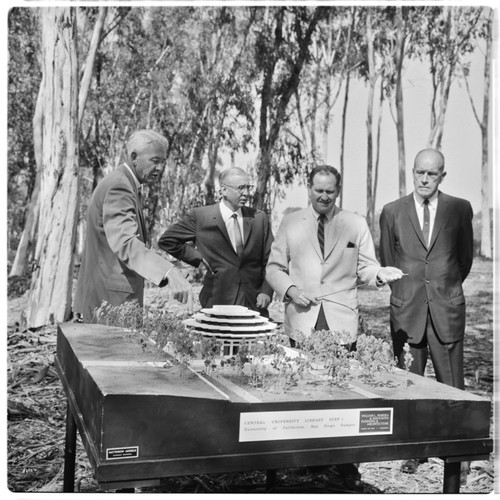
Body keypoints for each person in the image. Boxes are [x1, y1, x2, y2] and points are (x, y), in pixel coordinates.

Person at [265, 164, 403, 489]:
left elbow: (367, 267)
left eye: (330, 191)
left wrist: (380, 275)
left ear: (338, 191)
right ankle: (302, 460)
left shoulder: (354, 223)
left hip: (341, 320)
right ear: (308, 188)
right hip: (302, 319)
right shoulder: (290, 222)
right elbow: (273, 267)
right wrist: (291, 291)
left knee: (342, 392)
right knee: (300, 390)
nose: (324, 196)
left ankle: (344, 464)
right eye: (318, 190)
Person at [379, 148, 473, 477]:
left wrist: (443, 291)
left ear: (442, 176)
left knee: (452, 387)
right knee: (409, 387)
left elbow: (464, 261)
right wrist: (407, 295)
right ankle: (412, 452)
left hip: (446, 311)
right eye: (419, 172)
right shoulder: (391, 212)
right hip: (407, 314)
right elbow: (389, 261)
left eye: (431, 174)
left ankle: (457, 458)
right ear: (413, 172)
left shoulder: (459, 210)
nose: (424, 178)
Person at [73, 129, 191, 323]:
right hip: (111, 303)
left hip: (108, 299)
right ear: (134, 157)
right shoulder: (119, 186)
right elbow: (126, 242)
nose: (160, 168)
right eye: (155, 160)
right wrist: (168, 271)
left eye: (163, 162)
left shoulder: (124, 183)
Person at [158, 167, 274, 315]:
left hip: (254, 304)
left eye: (248, 187)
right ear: (223, 191)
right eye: (240, 188)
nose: (246, 193)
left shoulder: (259, 218)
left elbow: (271, 261)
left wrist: (266, 292)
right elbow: (167, 240)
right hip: (216, 302)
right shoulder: (201, 217)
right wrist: (198, 258)